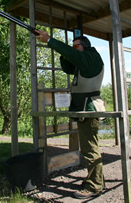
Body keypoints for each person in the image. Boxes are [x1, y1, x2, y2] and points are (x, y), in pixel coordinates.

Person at [35, 30, 105, 199]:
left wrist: (50, 40)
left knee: (89, 148)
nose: (73, 48)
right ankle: (95, 179)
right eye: (72, 46)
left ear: (85, 46)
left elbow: (73, 55)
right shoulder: (86, 60)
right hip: (84, 108)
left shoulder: (91, 58)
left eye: (76, 46)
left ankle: (94, 185)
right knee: (90, 147)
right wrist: (62, 52)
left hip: (88, 108)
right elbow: (68, 66)